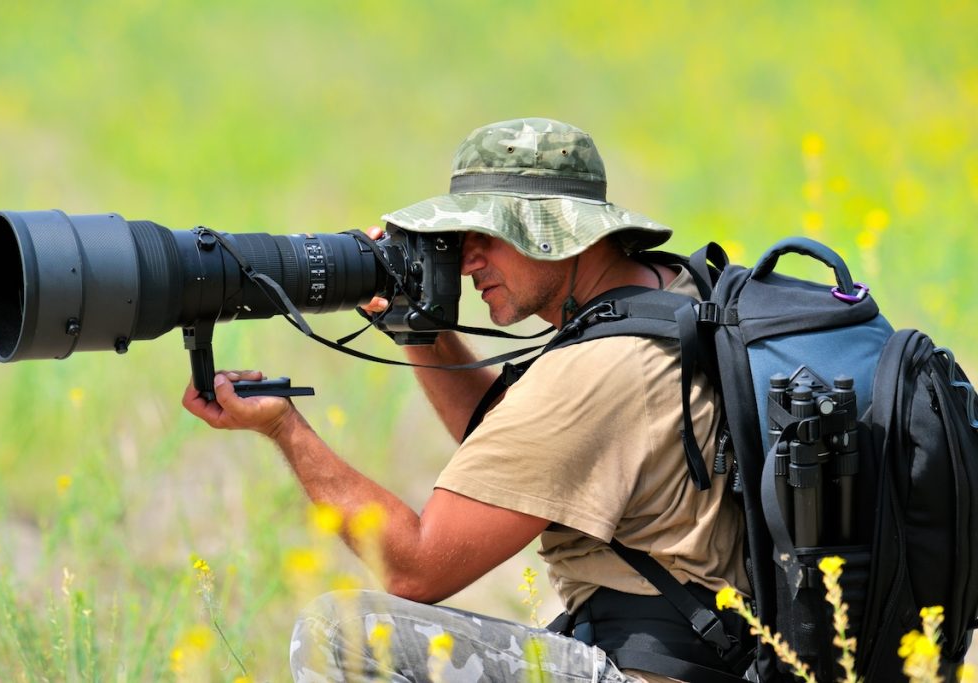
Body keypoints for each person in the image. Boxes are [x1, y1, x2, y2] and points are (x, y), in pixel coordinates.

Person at [183, 118, 750, 683]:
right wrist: (417, 328)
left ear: (554, 230)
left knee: (340, 634)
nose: (468, 259)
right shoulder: (674, 294)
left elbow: (416, 567)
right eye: (460, 239)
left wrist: (286, 429)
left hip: (658, 672)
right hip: (723, 655)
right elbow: (520, 444)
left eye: (488, 235)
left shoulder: (592, 370)